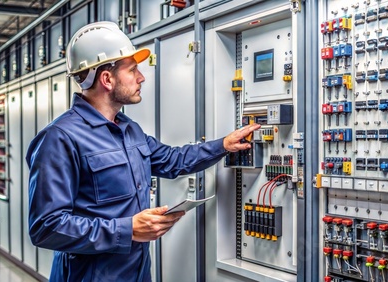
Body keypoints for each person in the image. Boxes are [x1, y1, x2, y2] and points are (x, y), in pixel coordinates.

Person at [26, 21, 260, 282]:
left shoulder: (129, 129)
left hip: (136, 272)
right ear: (107, 79)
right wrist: (127, 230)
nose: (141, 77)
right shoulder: (59, 138)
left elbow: (172, 160)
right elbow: (46, 228)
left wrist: (223, 145)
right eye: (133, 70)